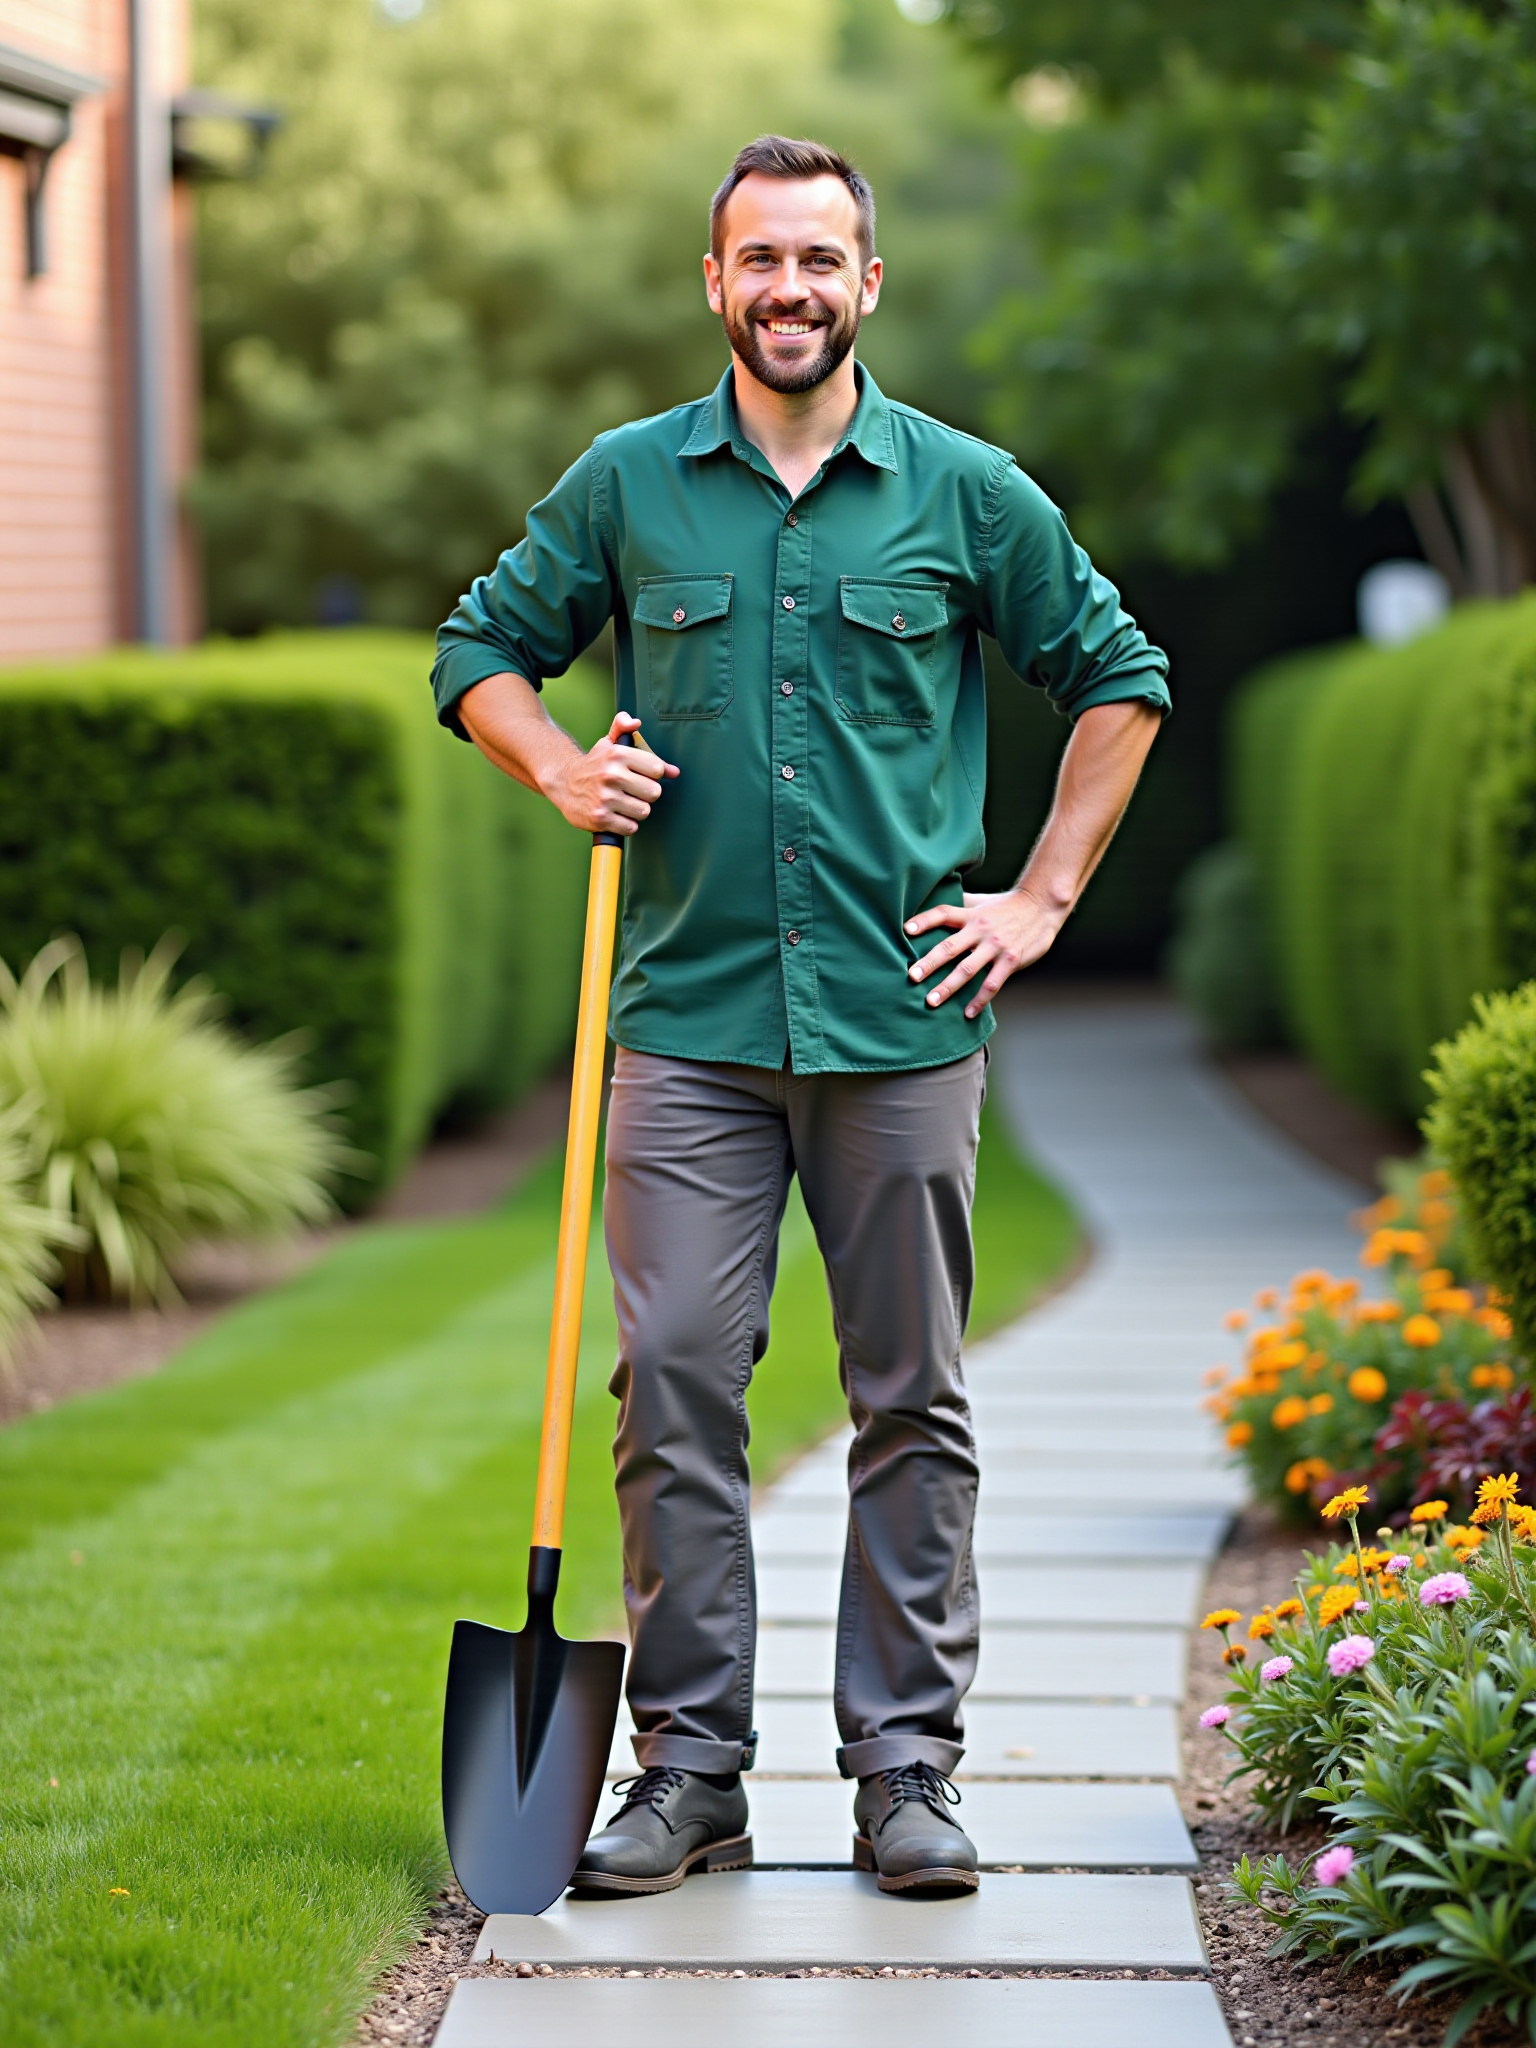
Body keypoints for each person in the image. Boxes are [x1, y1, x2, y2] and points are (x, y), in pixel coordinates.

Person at [431, 135, 1168, 1898]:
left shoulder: (967, 492)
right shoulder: (629, 486)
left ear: (868, 284)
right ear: (714, 282)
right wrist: (554, 767)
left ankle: (908, 1772)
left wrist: (1041, 899)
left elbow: (1120, 679)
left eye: (819, 260)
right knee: (676, 1376)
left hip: (904, 1028)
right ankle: (691, 1770)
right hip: (682, 1024)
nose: (789, 288)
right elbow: (478, 650)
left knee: (909, 1395)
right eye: (758, 259)